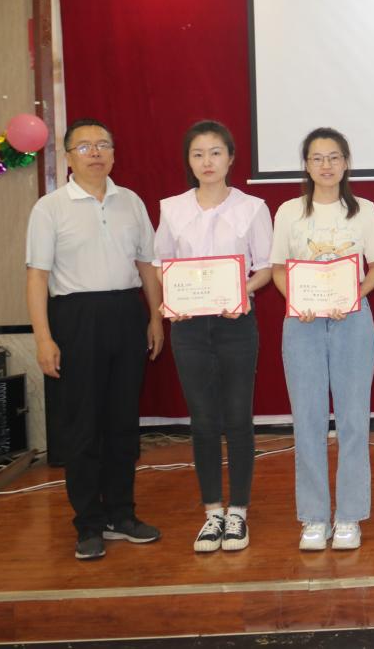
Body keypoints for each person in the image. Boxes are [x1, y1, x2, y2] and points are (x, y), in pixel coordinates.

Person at [25, 118, 165, 561]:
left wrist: (155, 317)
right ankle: (88, 522)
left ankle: (122, 514)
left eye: (103, 144)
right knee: (83, 425)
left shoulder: (131, 202)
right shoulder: (50, 208)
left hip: (126, 313)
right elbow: (37, 277)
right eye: (84, 146)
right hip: (76, 318)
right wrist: (43, 338)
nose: (95, 152)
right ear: (68, 156)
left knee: (122, 421)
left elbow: (147, 265)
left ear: (114, 154)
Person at [154, 120, 273, 553]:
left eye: (216, 152)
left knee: (238, 418)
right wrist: (174, 297)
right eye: (198, 153)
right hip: (188, 325)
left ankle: (238, 511)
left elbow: (266, 268)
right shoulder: (172, 208)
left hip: (235, 322)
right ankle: (212, 512)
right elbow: (162, 264)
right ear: (189, 161)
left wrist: (242, 291)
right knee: (203, 420)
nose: (207, 161)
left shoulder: (253, 208)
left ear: (231, 158)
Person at [270, 127, 374, 551]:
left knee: (354, 420)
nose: (326, 165)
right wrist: (297, 299)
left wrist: (353, 294)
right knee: (309, 421)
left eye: (334, 157)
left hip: (352, 319)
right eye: (317, 158)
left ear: (346, 163)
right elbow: (279, 268)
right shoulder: (289, 212)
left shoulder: (365, 210)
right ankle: (314, 517)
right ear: (306, 165)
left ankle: (350, 515)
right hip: (301, 322)